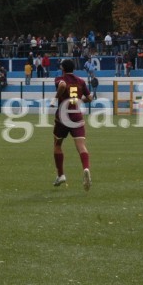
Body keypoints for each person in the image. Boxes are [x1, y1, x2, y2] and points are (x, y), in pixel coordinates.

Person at [52, 59, 93, 191]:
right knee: (81, 146)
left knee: (57, 145)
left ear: (63, 68)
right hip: (76, 115)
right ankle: (86, 168)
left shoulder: (60, 78)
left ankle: (61, 175)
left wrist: (55, 98)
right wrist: (80, 99)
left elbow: (63, 85)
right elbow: (90, 97)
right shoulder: (80, 81)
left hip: (63, 117)